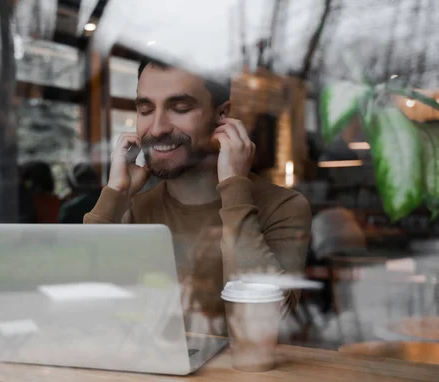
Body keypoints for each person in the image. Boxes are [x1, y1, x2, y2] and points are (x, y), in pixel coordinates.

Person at [84, 59, 311, 335]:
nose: (157, 129)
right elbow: (81, 312)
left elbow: (264, 327)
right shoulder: (133, 209)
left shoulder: (283, 207)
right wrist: (115, 196)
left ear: (223, 115)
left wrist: (234, 187)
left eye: (180, 109)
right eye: (145, 109)